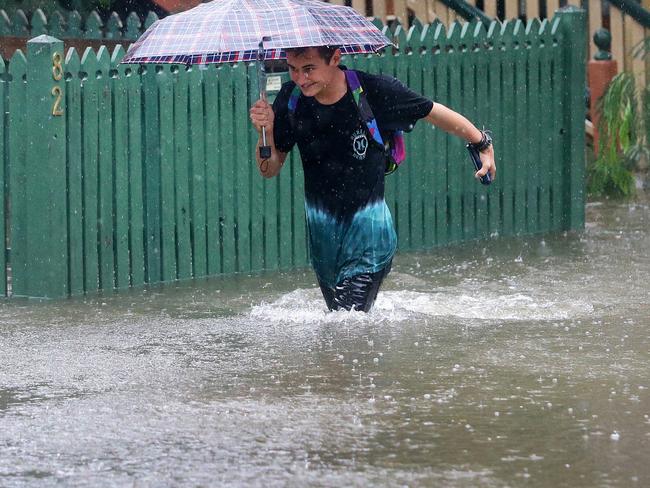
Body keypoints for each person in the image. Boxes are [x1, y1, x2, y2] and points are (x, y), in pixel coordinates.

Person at [249, 45, 496, 313]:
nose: (300, 78)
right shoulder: (291, 98)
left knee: (345, 327)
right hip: (324, 245)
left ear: (335, 58)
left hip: (370, 241)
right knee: (342, 326)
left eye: (309, 69)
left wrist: (481, 143)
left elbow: (432, 112)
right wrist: (267, 132)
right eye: (293, 70)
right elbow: (269, 169)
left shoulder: (373, 91)